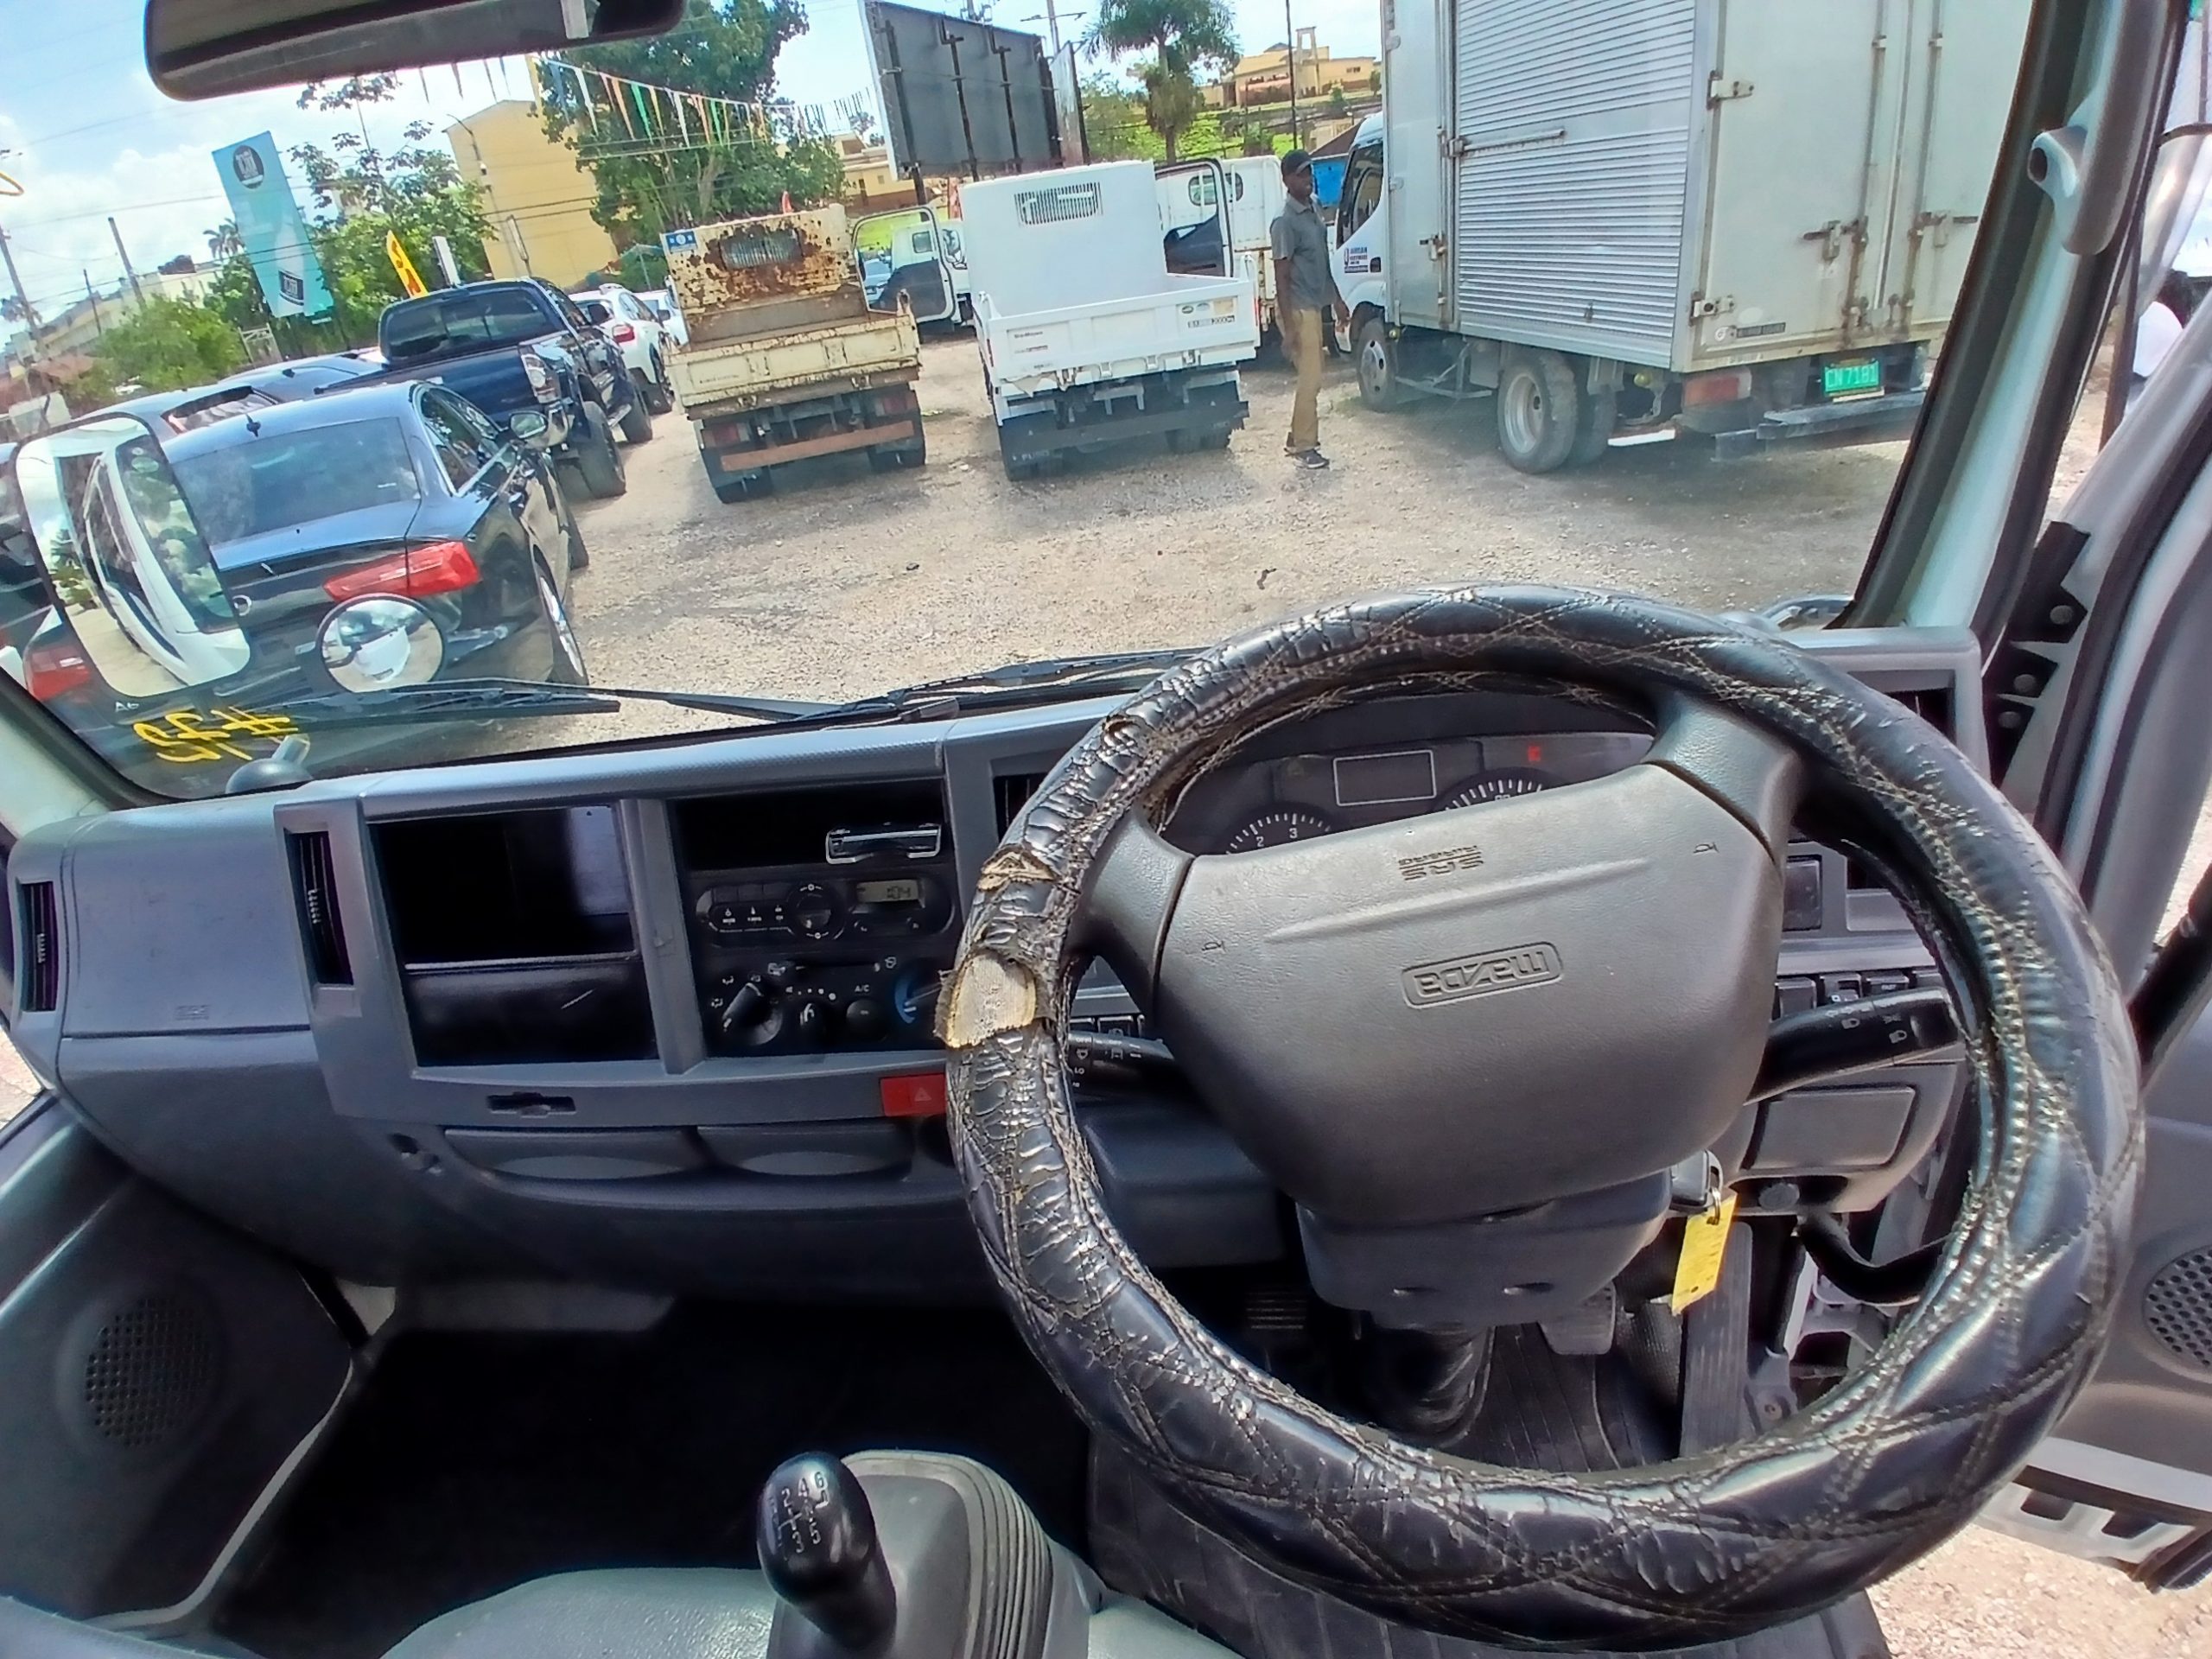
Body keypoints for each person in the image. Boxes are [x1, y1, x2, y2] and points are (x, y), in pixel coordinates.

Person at [1271, 149, 1348, 470]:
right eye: (1300, 174)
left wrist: (1338, 299)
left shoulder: (1314, 208)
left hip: (1315, 304)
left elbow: (1322, 261)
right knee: (1311, 378)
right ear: (1286, 179)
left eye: (1309, 172)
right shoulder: (1284, 222)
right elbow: (1282, 277)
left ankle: (1296, 437)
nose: (1307, 179)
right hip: (1298, 307)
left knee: (1313, 377)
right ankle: (1304, 446)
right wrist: (1289, 329)